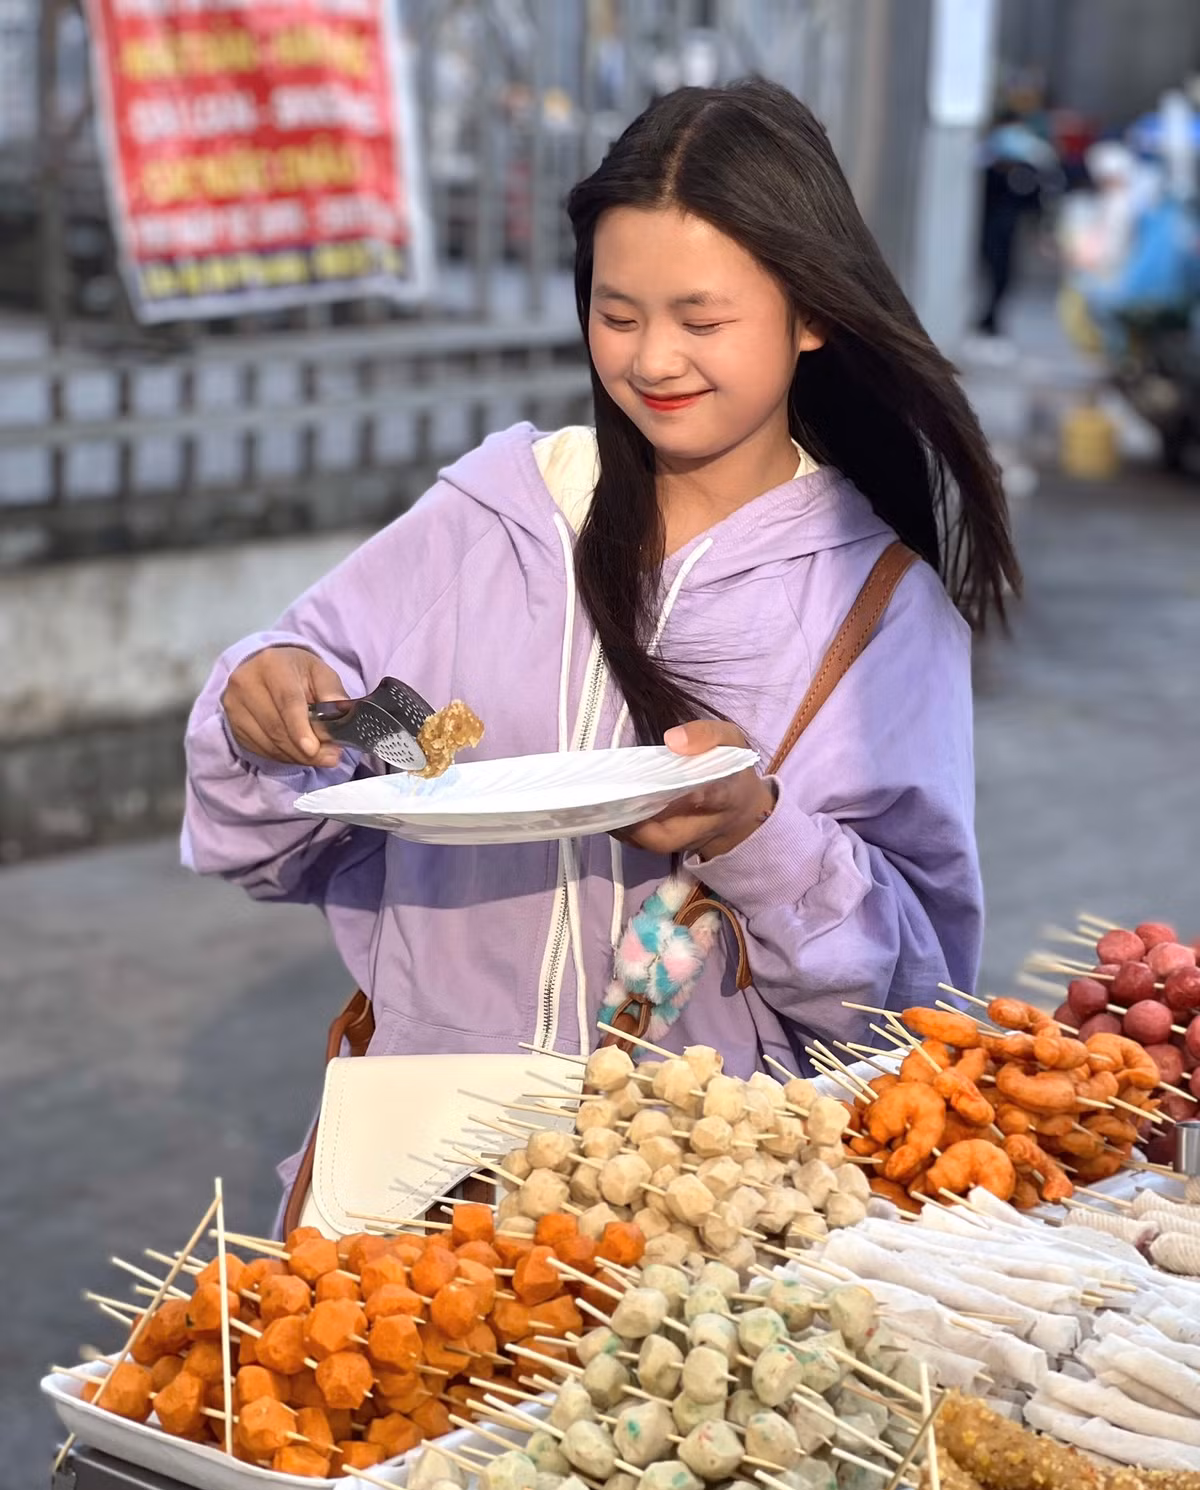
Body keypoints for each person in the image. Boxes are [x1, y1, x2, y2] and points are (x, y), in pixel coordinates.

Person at [183, 80, 1019, 1213]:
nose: (653, 360)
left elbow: (910, 995)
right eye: (618, 315)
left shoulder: (879, 604)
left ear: (812, 311)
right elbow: (265, 839)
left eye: (702, 318)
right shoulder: (494, 518)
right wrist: (260, 707)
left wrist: (756, 833)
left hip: (686, 1209)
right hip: (418, 1183)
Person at [975, 108, 1059, 342]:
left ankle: (989, 322)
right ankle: (985, 322)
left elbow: (1035, 200)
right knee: (991, 275)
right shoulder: (988, 165)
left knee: (1004, 277)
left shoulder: (1026, 170)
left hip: (1008, 231)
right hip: (989, 229)